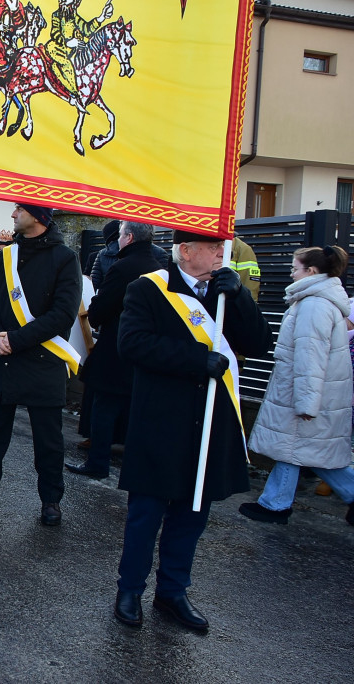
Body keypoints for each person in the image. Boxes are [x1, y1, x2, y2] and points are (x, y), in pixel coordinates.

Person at [113, 230, 271, 631]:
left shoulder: (223, 292)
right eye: (213, 248)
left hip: (209, 424)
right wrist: (197, 359)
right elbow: (132, 344)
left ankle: (173, 591)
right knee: (146, 514)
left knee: (193, 513)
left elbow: (258, 341)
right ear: (185, 251)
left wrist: (240, 297)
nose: (222, 254)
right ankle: (130, 589)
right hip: (161, 422)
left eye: (222, 248)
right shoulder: (148, 288)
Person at [0, 203, 82, 525]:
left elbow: (62, 314)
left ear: (38, 216)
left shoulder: (65, 259)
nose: (12, 215)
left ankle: (51, 501)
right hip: (2, 361)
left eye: (18, 210)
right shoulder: (5, 257)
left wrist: (15, 339)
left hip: (43, 361)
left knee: (49, 443)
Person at [241, 246, 354, 526]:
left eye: (295, 267)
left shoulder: (313, 304)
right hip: (312, 392)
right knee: (300, 449)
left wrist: (306, 403)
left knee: (298, 448)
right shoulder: (318, 301)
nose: (291, 272)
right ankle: (275, 504)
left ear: (311, 272)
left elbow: (309, 357)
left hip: (308, 393)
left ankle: (275, 505)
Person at [66, 221, 161, 479]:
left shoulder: (122, 268)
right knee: (134, 411)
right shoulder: (159, 268)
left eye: (120, 235)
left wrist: (94, 309)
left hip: (115, 349)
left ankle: (98, 463)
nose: (118, 240)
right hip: (145, 352)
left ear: (128, 238)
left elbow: (98, 311)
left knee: (104, 410)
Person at [47, 0, 113, 112]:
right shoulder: (56, 15)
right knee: (67, 65)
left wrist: (102, 17)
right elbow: (55, 33)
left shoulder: (74, 16)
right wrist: (68, 42)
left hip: (75, 50)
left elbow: (87, 30)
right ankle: (73, 95)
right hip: (58, 49)